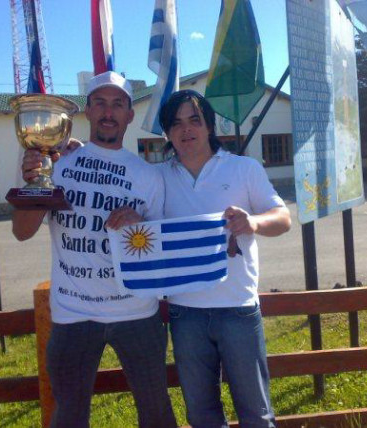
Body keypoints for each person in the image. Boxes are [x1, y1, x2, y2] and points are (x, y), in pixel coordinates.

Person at [12, 71, 177, 428]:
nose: (108, 111)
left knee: (156, 411)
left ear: (129, 114)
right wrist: (36, 184)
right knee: (70, 415)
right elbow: (22, 232)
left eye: (117, 104)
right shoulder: (55, 163)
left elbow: (159, 248)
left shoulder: (148, 176)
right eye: (100, 102)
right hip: (74, 314)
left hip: (136, 312)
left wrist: (139, 225)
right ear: (86, 111)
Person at [158, 89, 291, 428]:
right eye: (176, 123)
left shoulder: (244, 168)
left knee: (256, 414)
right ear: (167, 132)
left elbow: (283, 218)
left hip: (238, 308)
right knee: (201, 415)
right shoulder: (157, 177)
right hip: (184, 312)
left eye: (194, 120)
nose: (186, 129)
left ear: (209, 125)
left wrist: (253, 222)